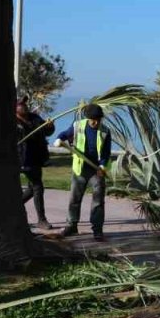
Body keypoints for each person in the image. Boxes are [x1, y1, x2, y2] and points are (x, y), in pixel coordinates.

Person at [55, 103, 112, 241]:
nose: (96, 122)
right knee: (74, 198)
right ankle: (71, 226)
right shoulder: (78, 126)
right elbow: (64, 134)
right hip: (80, 168)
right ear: (88, 118)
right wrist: (59, 139)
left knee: (98, 200)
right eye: (93, 120)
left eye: (98, 119)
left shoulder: (105, 131)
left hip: (96, 170)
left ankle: (97, 230)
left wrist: (103, 166)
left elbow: (106, 153)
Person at [16, 100, 55, 229]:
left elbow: (47, 132)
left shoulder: (35, 117)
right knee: (37, 187)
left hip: (36, 159)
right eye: (20, 104)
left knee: (33, 188)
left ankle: (15, 206)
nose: (23, 105)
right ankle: (41, 219)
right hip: (21, 159)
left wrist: (50, 126)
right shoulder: (12, 121)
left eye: (24, 104)